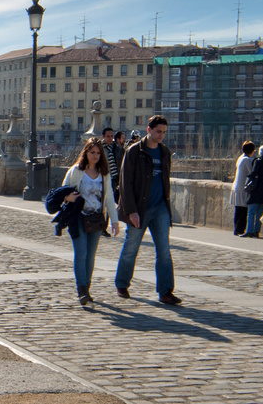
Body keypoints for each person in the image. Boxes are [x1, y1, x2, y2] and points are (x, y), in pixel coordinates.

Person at [113, 115, 180, 305]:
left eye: (164, 132)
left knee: (164, 251)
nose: (161, 135)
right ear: (148, 130)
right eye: (158, 131)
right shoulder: (134, 151)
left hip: (160, 207)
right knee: (131, 248)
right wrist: (132, 210)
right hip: (140, 208)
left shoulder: (165, 152)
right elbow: (125, 183)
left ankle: (166, 291)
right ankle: (122, 284)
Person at [60, 138, 119, 308]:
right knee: (81, 253)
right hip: (78, 217)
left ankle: (87, 287)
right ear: (86, 152)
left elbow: (109, 199)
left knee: (91, 255)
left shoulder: (104, 173)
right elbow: (62, 190)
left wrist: (114, 222)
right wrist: (67, 197)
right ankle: (82, 290)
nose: (95, 156)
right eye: (92, 152)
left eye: (98, 153)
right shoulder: (76, 171)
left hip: (96, 218)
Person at [229, 140, 257, 236]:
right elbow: (251, 172)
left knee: (238, 209)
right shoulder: (247, 160)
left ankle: (236, 228)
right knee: (243, 210)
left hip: (236, 186)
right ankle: (240, 229)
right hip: (243, 188)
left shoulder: (240, 158)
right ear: (252, 150)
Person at [106, 130, 126, 197]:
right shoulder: (115, 149)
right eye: (123, 138)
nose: (124, 140)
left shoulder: (122, 149)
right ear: (118, 139)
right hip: (114, 178)